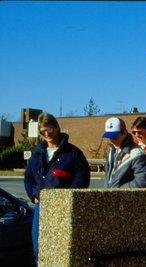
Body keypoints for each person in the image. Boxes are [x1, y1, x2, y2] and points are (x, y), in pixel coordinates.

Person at [24, 112, 91, 264]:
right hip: (41, 207)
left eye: (49, 130)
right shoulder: (36, 153)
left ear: (57, 128)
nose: (47, 134)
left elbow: (81, 180)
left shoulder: (73, 154)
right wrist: (32, 195)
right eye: (43, 131)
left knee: (61, 249)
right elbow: (28, 177)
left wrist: (66, 200)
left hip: (63, 209)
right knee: (38, 248)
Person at [102, 117, 146, 188]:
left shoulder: (137, 154)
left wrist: (119, 192)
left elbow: (141, 181)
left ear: (124, 133)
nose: (111, 140)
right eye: (109, 137)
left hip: (125, 198)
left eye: (115, 137)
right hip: (110, 197)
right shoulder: (112, 150)